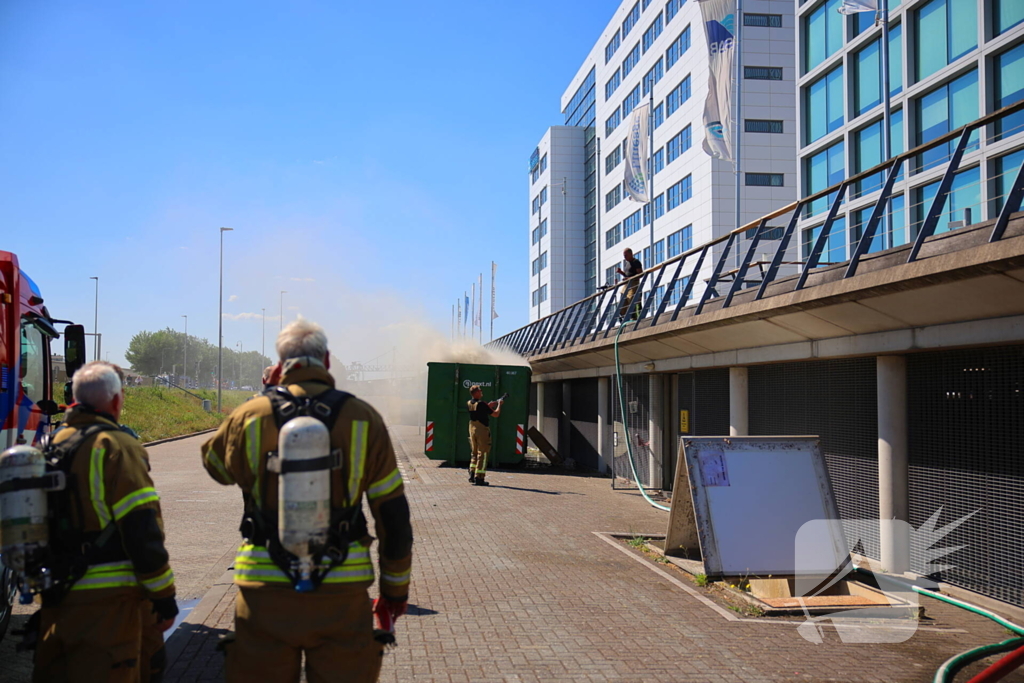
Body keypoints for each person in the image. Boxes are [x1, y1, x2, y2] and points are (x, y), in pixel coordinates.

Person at [201, 319, 413, 683]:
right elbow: (393, 516)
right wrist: (394, 592)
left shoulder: (249, 415)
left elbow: (217, 468)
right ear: (327, 361)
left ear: (281, 365)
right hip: (342, 591)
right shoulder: (364, 418)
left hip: (263, 592)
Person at [34, 361, 178, 683]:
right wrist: (164, 597)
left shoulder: (50, 445)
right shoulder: (116, 446)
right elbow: (142, 528)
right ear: (115, 400)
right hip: (108, 605)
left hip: (57, 596)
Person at [467, 385, 502, 486]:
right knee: (483, 453)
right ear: (476, 393)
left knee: (474, 452)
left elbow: (478, 411)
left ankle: (472, 473)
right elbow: (495, 414)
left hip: (472, 429)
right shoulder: (482, 404)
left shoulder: (469, 403)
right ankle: (480, 477)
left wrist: (488, 406)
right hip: (482, 430)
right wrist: (499, 404)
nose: (481, 392)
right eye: (480, 390)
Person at [616, 248, 644, 321]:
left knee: (632, 298)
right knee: (623, 299)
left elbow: (640, 274)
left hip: (634, 283)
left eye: (626, 255)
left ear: (631, 254)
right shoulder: (627, 263)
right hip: (627, 284)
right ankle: (623, 316)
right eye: (624, 256)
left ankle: (634, 317)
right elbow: (627, 275)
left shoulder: (636, 262)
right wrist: (621, 272)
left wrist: (629, 278)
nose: (625, 257)